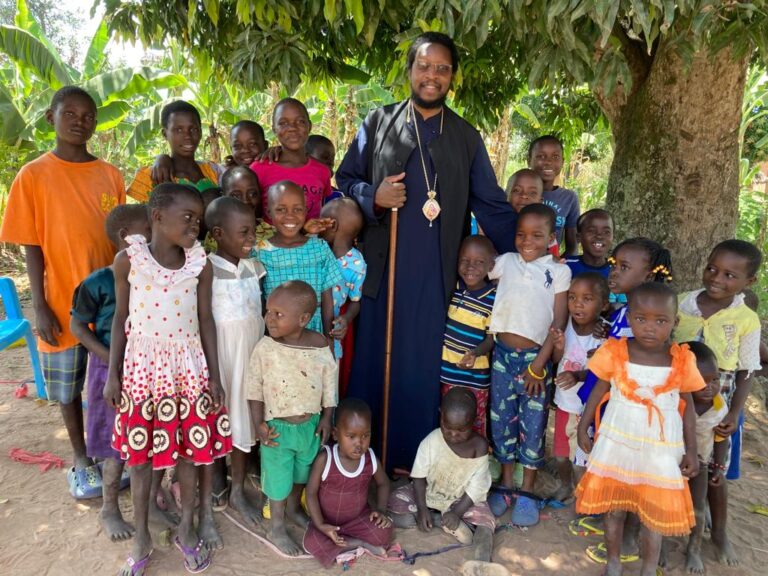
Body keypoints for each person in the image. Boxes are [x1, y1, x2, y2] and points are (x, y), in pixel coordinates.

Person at [336, 32, 518, 470]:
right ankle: (366, 462)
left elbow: (490, 202)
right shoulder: (378, 123)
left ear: (452, 76)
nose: (432, 75)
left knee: (420, 368)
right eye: (424, 66)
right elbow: (344, 180)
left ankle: (412, 466)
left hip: (437, 277)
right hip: (384, 272)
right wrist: (373, 197)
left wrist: (529, 254)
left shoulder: (465, 137)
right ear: (410, 70)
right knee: (376, 368)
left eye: (442, 68)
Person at [0, 85, 126, 499]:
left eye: (88, 115)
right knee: (68, 389)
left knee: (111, 382)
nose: (79, 121)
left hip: (110, 306)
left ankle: (112, 453)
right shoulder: (33, 175)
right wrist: (38, 305)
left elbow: (124, 243)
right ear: (50, 118)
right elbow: (30, 245)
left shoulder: (109, 175)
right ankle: (80, 461)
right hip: (59, 301)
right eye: (69, 113)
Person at [105, 183, 232, 575]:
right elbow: (118, 318)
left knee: (191, 454)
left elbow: (205, 320)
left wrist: (213, 376)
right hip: (142, 372)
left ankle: (187, 529)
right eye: (188, 218)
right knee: (141, 461)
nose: (197, 226)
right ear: (157, 217)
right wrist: (112, 374)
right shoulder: (128, 260)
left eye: (199, 219)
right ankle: (141, 535)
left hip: (189, 369)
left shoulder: (200, 264)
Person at [575, 282, 703, 576]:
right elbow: (597, 391)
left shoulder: (682, 360)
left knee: (653, 514)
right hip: (618, 438)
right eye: (641, 319)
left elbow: (689, 410)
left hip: (660, 446)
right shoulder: (614, 351)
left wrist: (692, 452)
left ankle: (647, 568)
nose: (649, 327)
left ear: (675, 322)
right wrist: (584, 427)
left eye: (660, 321)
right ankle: (614, 562)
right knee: (615, 507)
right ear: (629, 318)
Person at [571, 237, 674, 558]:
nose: (613, 272)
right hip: (609, 407)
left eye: (624, 267)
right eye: (614, 264)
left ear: (647, 276)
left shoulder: (642, 322)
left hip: (626, 413)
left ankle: (628, 540)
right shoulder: (624, 312)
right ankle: (612, 524)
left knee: (628, 473)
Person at [674, 239, 762, 566]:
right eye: (712, 268)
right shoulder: (683, 303)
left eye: (729, 275)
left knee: (715, 472)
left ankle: (719, 532)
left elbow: (746, 371)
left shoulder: (746, 319)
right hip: (679, 398)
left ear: (748, 282)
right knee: (679, 459)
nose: (716, 278)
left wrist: (737, 412)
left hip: (718, 403)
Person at [70, 205, 150, 541]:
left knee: (145, 439)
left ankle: (151, 501)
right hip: (110, 371)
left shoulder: (157, 274)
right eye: (149, 231)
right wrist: (112, 362)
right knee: (113, 446)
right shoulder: (99, 281)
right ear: (125, 237)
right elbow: (78, 326)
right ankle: (110, 508)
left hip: (148, 368)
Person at [487, 203, 570, 525]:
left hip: (536, 360)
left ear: (552, 237)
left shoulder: (559, 271)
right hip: (502, 356)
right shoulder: (506, 262)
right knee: (502, 421)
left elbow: (559, 320)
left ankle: (527, 490)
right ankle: (506, 484)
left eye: (537, 235)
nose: (527, 241)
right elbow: (480, 263)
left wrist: (539, 365)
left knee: (533, 427)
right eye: (521, 234)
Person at [247, 280, 338, 556]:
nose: (270, 319)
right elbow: (254, 389)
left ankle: (295, 508)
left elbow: (329, 385)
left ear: (303, 319)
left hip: (309, 428)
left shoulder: (320, 345)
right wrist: (258, 425)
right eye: (268, 311)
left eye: (278, 314)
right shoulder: (265, 348)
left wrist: (326, 418)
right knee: (277, 480)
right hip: (277, 429)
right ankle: (276, 525)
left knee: (302, 473)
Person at [205, 196, 265, 529]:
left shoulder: (254, 266)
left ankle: (239, 488)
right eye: (243, 233)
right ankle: (219, 479)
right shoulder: (206, 270)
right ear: (218, 233)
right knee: (222, 418)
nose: (250, 239)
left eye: (252, 231)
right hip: (224, 360)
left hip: (252, 356)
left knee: (245, 418)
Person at [388, 388, 495, 562]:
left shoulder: (479, 446)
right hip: (430, 493)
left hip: (461, 500)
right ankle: (436, 519)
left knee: (486, 521)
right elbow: (419, 477)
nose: (453, 435)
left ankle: (482, 559)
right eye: (448, 428)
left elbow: (477, 486)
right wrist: (422, 508)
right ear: (441, 416)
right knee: (395, 500)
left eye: (461, 430)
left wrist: (458, 512)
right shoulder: (431, 441)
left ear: (473, 422)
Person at [304, 398, 393, 567]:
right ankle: (358, 544)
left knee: (384, 532)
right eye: (351, 436)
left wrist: (380, 510)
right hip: (326, 522)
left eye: (365, 436)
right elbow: (310, 493)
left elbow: (384, 483)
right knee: (312, 541)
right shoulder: (326, 458)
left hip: (357, 520)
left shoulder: (370, 459)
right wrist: (321, 525)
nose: (359, 443)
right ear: (335, 434)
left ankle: (350, 543)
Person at [550, 272, 609, 501]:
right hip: (564, 403)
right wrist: (559, 346)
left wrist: (578, 375)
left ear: (603, 305)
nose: (577, 304)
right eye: (572, 298)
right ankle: (566, 486)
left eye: (587, 299)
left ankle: (583, 496)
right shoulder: (564, 326)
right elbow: (556, 360)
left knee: (581, 456)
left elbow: (604, 372)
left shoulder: (603, 333)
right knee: (561, 455)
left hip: (587, 408)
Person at [258, 181, 342, 337]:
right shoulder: (260, 252)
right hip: (277, 336)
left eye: (297, 209)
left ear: (305, 211)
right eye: (281, 209)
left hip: (314, 330)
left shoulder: (320, 248)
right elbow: (260, 300)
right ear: (269, 213)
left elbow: (327, 298)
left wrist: (328, 341)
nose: (290, 216)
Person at [439, 235, 497, 437]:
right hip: (448, 374)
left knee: (475, 423)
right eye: (464, 261)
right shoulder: (453, 292)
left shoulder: (493, 299)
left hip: (475, 379)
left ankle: (475, 459)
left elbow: (491, 338)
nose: (470, 267)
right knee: (450, 422)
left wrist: (475, 352)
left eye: (479, 262)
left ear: (491, 265)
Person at [683, 341, 730, 575]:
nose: (710, 387)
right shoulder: (676, 402)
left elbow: (722, 439)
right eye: (702, 380)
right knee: (663, 506)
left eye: (715, 379)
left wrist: (719, 467)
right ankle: (660, 548)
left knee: (698, 508)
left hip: (700, 465)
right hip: (671, 464)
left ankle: (694, 548)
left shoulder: (720, 406)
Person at [251, 98, 333, 221]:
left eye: (300, 122)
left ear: (309, 126)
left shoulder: (322, 171)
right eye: (283, 123)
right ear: (274, 129)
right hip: (269, 239)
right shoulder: (259, 168)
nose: (292, 128)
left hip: (312, 239)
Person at [129, 100, 222, 202]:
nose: (187, 136)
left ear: (200, 131)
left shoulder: (212, 171)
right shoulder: (151, 176)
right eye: (179, 130)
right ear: (165, 134)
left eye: (193, 129)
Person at [319, 197, 367, 364]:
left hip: (333, 329)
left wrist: (346, 318)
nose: (318, 226)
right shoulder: (317, 250)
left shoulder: (357, 264)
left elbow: (356, 301)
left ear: (332, 225)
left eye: (321, 221)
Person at [528, 135, 579, 256]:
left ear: (562, 161)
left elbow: (572, 247)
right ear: (529, 160)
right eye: (541, 156)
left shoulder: (569, 198)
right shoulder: (519, 193)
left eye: (555, 157)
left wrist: (558, 268)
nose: (548, 162)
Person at [565, 209, 614, 279]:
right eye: (591, 231)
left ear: (613, 237)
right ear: (579, 237)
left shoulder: (616, 271)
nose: (599, 236)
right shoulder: (565, 265)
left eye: (606, 232)